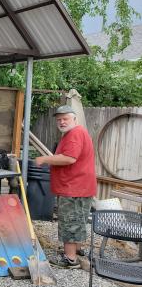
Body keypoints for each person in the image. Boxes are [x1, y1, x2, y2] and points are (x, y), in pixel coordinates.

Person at [35, 105, 96, 268]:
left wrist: (44, 159)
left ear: (74, 119)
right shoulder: (77, 132)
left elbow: (69, 158)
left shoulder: (74, 134)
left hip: (74, 187)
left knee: (69, 222)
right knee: (78, 220)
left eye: (65, 119)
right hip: (81, 186)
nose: (61, 122)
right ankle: (77, 250)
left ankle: (70, 259)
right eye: (59, 120)